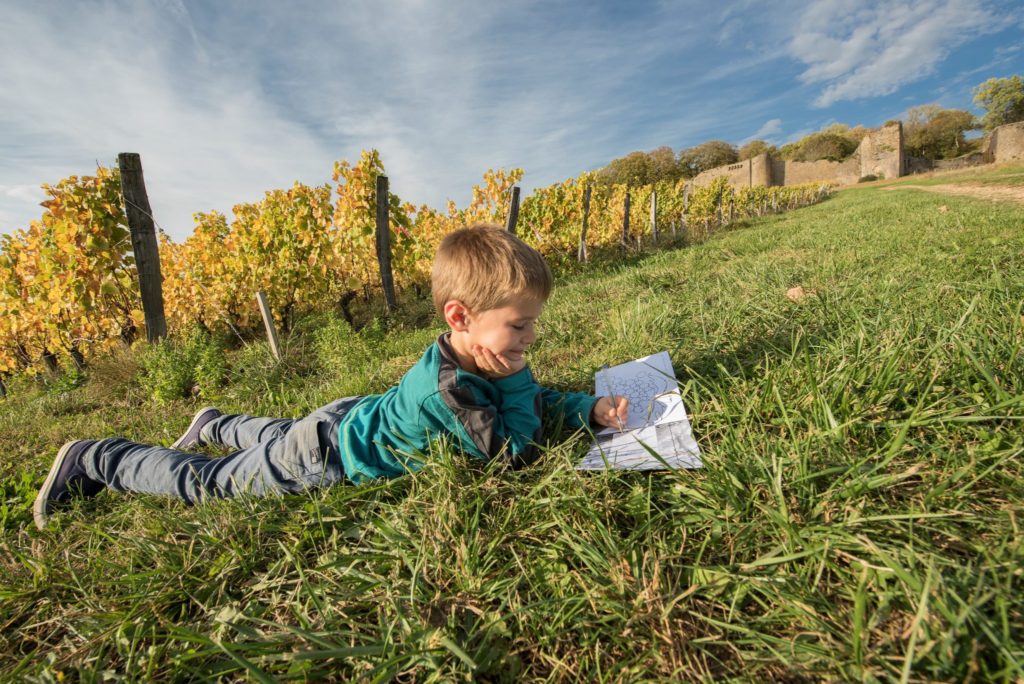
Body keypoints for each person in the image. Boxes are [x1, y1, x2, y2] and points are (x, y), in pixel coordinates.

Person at [33, 223, 629, 530]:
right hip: (325, 458)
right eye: (520, 326)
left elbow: (525, 398)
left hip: (343, 420)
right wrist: (525, 384)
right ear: (461, 317)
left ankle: (216, 422)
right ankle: (97, 457)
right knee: (210, 485)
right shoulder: (451, 393)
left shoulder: (473, 356)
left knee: (278, 436)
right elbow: (512, 451)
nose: (530, 339)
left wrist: (584, 410)